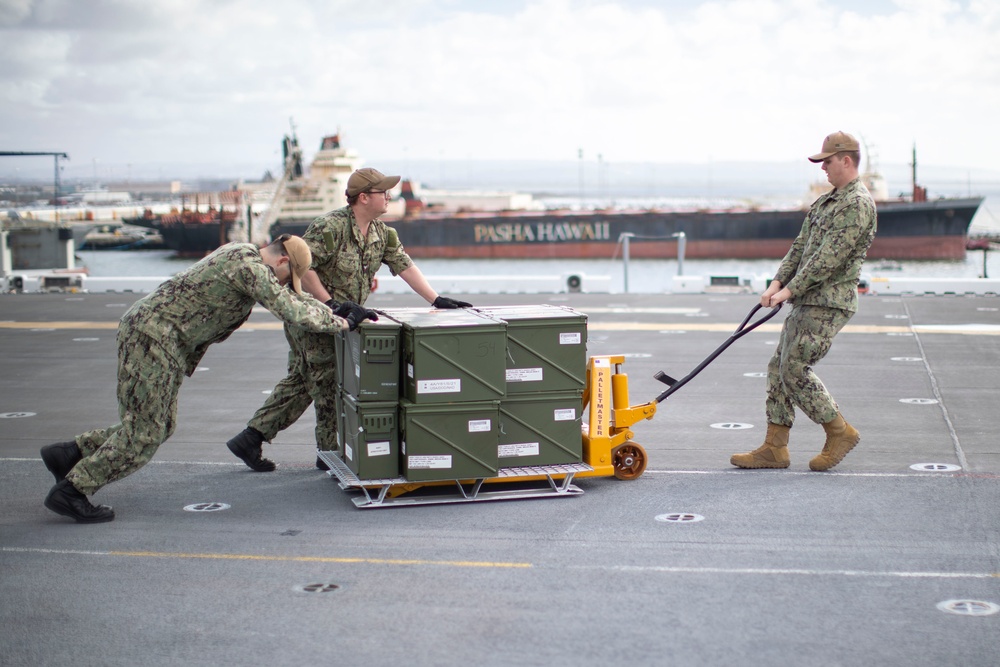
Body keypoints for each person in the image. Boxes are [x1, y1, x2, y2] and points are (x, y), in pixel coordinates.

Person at [40, 235, 363, 523]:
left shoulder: (242, 253)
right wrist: (342, 323)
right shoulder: (250, 269)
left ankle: (69, 454)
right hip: (153, 338)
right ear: (281, 261)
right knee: (146, 434)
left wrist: (333, 308)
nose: (281, 282)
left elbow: (292, 298)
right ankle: (73, 490)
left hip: (160, 339)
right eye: (284, 276)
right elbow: (288, 308)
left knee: (159, 425)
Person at [226, 167, 472, 470]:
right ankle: (328, 455)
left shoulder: (382, 233)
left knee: (304, 381)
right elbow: (304, 267)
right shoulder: (330, 228)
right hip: (314, 318)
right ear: (364, 197)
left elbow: (404, 265)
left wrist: (435, 299)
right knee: (327, 384)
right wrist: (330, 304)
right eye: (383, 192)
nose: (389, 197)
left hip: (343, 320)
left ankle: (251, 438)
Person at [730, 131, 877, 472]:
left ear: (847, 160)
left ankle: (838, 431)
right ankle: (774, 447)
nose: (823, 168)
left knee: (794, 368)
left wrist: (788, 291)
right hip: (808, 299)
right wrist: (777, 281)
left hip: (828, 302)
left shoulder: (856, 204)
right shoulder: (828, 201)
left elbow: (829, 259)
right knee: (778, 367)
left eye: (827, 161)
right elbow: (801, 247)